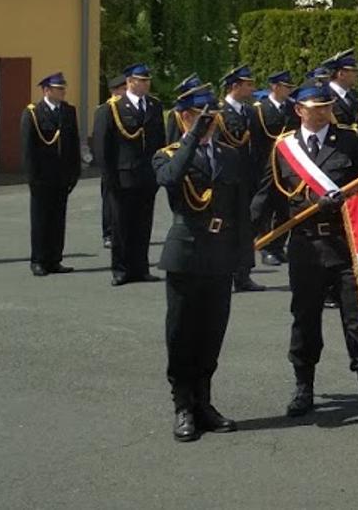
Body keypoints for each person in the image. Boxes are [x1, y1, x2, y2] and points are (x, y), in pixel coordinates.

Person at [263, 85, 358, 428]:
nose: (322, 113)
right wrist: (248, 239)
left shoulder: (349, 141)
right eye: (315, 107)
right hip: (305, 248)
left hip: (344, 244)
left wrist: (346, 203)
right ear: (298, 110)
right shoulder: (284, 148)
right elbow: (271, 195)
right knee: (304, 319)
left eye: (327, 107)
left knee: (356, 320)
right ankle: (304, 388)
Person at [153, 81, 249, 443]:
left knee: (212, 333)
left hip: (220, 254)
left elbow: (239, 209)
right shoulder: (168, 153)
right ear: (183, 117)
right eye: (198, 116)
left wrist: (244, 260)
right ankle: (182, 406)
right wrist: (192, 136)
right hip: (185, 252)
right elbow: (169, 178)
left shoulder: (228, 155)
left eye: (210, 117)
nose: (208, 123)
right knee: (181, 334)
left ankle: (204, 403)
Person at [101, 63, 169, 285]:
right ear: (130, 82)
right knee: (121, 225)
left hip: (147, 175)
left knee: (143, 224)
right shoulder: (113, 108)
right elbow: (105, 147)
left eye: (148, 80)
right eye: (142, 80)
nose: (146, 84)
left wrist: (159, 171)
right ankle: (120, 269)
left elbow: (160, 142)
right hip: (123, 175)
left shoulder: (154, 106)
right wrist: (109, 178)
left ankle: (141, 267)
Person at [211, 66, 267, 293]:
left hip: (248, 177)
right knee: (225, 227)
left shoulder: (249, 111)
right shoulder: (219, 113)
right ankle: (222, 272)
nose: (251, 88)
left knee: (245, 227)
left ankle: (243, 274)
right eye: (248, 85)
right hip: (227, 178)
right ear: (235, 86)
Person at [22, 72, 81, 275]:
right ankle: (38, 260)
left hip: (62, 175)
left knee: (58, 219)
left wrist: (75, 172)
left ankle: (55, 259)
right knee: (40, 219)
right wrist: (32, 177)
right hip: (42, 176)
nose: (63, 91)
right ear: (47, 90)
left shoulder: (68, 111)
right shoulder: (33, 113)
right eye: (59, 88)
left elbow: (73, 143)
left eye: (63, 88)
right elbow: (28, 148)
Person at [250, 71, 299, 266]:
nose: (288, 90)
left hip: (287, 163)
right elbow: (254, 140)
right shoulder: (260, 109)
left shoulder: (292, 108)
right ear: (275, 87)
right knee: (264, 207)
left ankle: (278, 245)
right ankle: (264, 246)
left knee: (286, 207)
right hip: (266, 164)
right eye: (286, 87)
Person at [94, 76, 126, 250]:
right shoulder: (105, 110)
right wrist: (105, 168)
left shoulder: (126, 109)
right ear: (114, 91)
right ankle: (109, 233)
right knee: (110, 201)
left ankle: (122, 231)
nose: (125, 92)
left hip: (126, 165)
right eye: (122, 89)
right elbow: (100, 142)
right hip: (111, 165)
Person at [322, 49, 358, 128]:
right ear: (341, 74)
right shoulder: (326, 97)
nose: (357, 75)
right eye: (354, 71)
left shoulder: (353, 95)